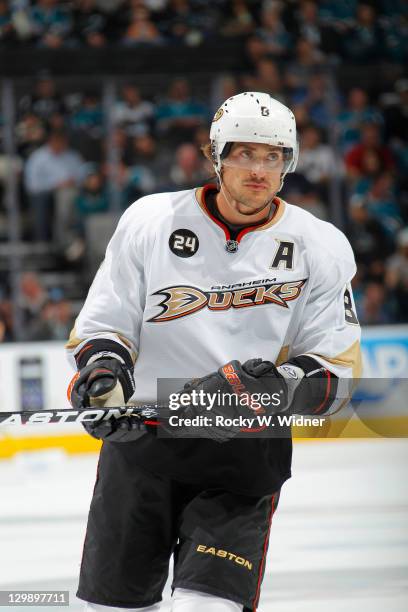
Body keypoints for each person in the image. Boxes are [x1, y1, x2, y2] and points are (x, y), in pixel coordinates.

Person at [66, 92, 362, 612]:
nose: (259, 170)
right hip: (143, 449)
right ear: (216, 156)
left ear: (288, 164)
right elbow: (107, 323)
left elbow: (335, 374)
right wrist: (104, 375)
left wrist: (274, 387)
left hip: (242, 459)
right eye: (245, 154)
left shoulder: (320, 245)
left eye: (273, 157)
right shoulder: (151, 220)